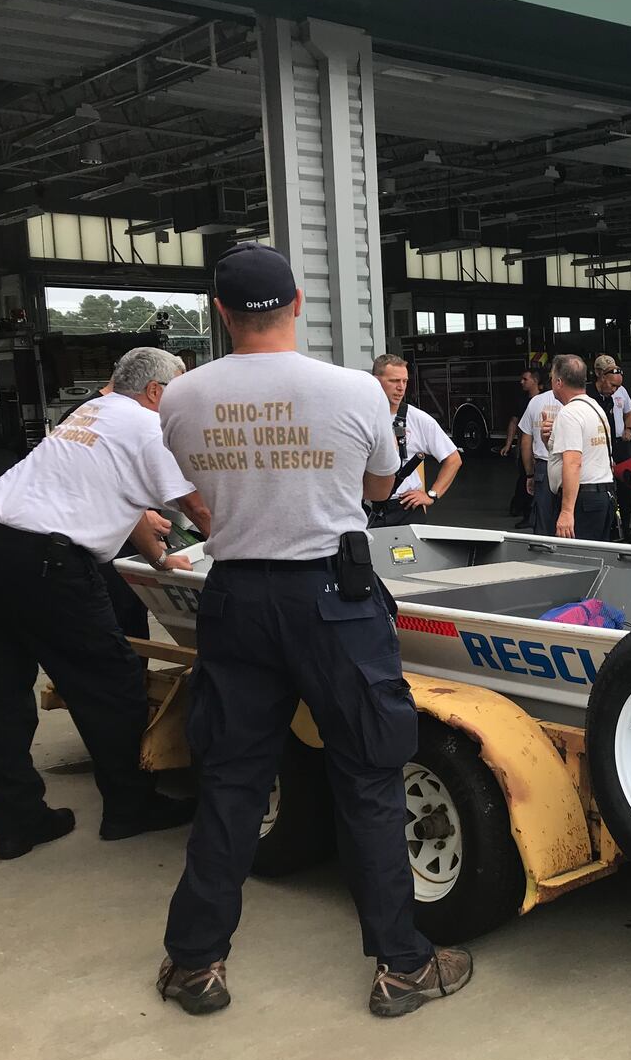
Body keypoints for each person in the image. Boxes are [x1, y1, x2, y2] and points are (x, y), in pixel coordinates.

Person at [156, 243, 469, 1018]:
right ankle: (402, 964)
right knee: (367, 776)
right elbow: (376, 486)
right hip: (333, 597)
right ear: (297, 302)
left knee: (231, 779)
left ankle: (196, 962)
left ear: (221, 311)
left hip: (234, 598)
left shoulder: (181, 398)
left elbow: (196, 489)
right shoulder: (355, 392)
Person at [0, 346, 209, 861]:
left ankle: (17, 823)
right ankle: (130, 810)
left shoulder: (91, 413)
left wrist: (159, 557)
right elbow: (199, 505)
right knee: (114, 682)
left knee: (0, 691)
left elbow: (118, 493)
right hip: (44, 564)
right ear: (157, 392)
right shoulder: (147, 426)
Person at [59, 363, 185, 640]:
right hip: (91, 549)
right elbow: (95, 487)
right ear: (153, 390)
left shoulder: (93, 410)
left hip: (112, 541)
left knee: (129, 620)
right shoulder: (107, 415)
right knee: (119, 629)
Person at [365, 354, 462, 528]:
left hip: (405, 508)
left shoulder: (418, 419)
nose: (401, 388)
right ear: (375, 382)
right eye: (394, 381)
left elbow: (453, 460)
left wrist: (431, 495)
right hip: (366, 508)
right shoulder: (361, 418)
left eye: (404, 381)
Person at [548, 353, 617, 542]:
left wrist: (567, 512)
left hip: (582, 501)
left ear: (559, 382)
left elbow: (573, 462)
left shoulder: (569, 414)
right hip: (602, 496)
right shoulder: (594, 407)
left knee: (578, 562)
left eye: (552, 378)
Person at [592, 355, 631, 544]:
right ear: (600, 375)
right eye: (612, 385)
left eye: (618, 386)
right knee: (605, 489)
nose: (615, 390)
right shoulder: (590, 395)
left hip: (621, 445)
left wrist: (629, 428)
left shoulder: (619, 392)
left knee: (626, 488)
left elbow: (629, 413)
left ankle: (626, 527)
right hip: (600, 447)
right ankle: (608, 529)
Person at [518, 369, 563, 536]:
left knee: (543, 521)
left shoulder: (535, 402)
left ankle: (544, 556)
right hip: (571, 466)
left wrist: (529, 474)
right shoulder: (576, 403)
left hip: (543, 469)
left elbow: (525, 442)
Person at [500, 366, 543, 527]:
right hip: (526, 448)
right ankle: (523, 510)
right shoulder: (522, 401)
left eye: (525, 379)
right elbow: (514, 421)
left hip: (541, 449)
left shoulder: (545, 400)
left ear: (535, 381)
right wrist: (508, 444)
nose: (522, 382)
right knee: (525, 478)